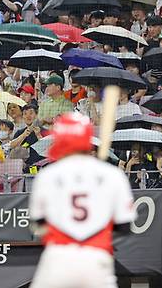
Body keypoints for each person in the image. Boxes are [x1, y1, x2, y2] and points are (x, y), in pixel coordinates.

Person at [29, 113, 135, 288]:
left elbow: (38, 224)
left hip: (58, 256)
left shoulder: (47, 175)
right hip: (96, 257)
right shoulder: (113, 174)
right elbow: (124, 227)